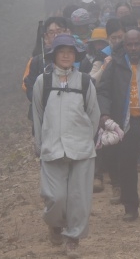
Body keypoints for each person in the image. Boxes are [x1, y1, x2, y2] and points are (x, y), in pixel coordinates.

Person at [32, 34, 100, 259]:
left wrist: (87, 141)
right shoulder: (43, 81)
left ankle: (73, 239)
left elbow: (93, 114)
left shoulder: (84, 81)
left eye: (70, 52)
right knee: (55, 196)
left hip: (81, 149)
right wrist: (40, 145)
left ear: (75, 56)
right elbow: (38, 116)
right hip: (51, 148)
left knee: (79, 199)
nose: (65, 55)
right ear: (54, 55)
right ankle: (54, 223)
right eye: (61, 51)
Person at [96, 29, 140, 226]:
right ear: (124, 46)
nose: (133, 48)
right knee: (126, 166)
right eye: (129, 45)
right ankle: (130, 207)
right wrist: (104, 113)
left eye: (137, 44)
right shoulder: (115, 64)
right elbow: (103, 91)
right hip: (123, 124)